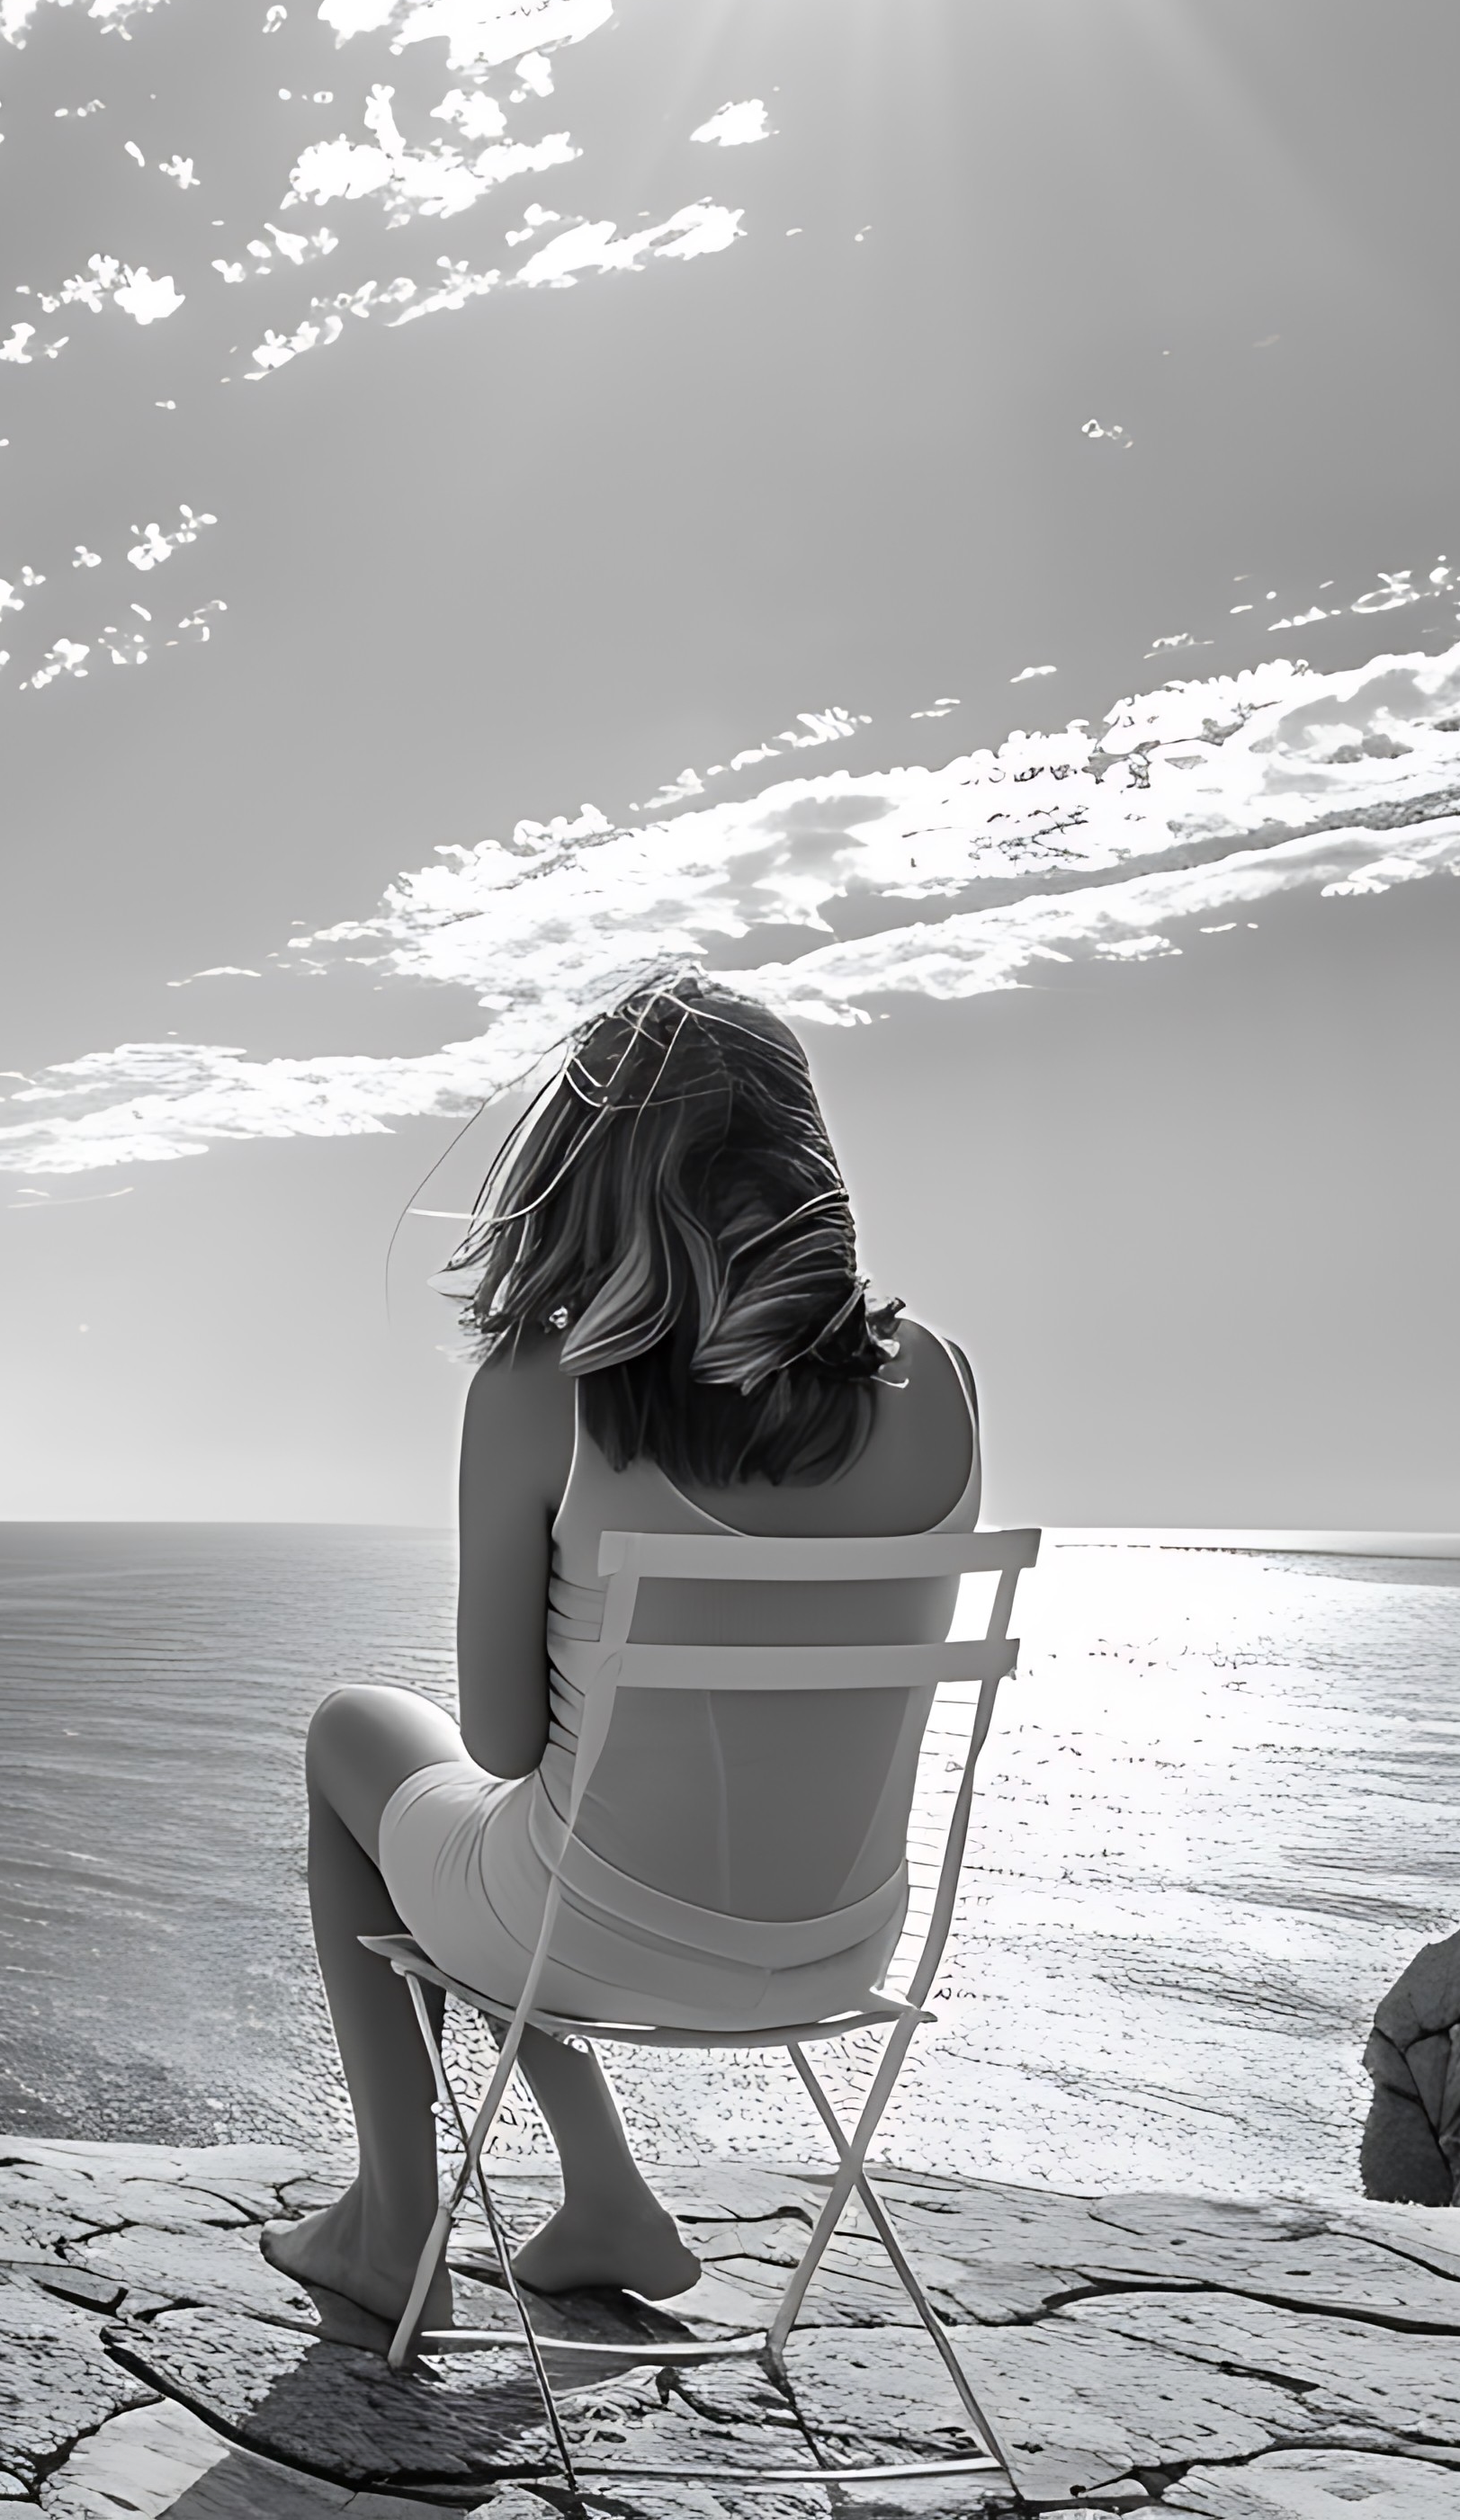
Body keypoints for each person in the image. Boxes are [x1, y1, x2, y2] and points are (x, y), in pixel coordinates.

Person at [256, 971, 983, 2346]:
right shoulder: (938, 1376)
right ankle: (604, 2197)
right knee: (556, 1861)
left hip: (589, 1932)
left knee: (357, 1736)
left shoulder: (543, 1391)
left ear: (591, 1171)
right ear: (801, 1152)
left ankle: (392, 2226)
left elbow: (505, 1745)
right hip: (844, 1943)